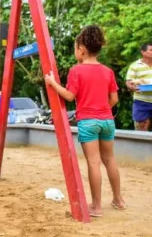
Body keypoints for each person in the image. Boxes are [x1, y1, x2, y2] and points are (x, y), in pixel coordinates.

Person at [44, 25, 126, 217]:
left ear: (81, 49)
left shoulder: (77, 71)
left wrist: (52, 83)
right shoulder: (107, 71)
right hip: (107, 121)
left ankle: (96, 206)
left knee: (94, 163)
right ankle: (118, 199)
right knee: (110, 160)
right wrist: (101, 107)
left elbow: (70, 96)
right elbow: (114, 99)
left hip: (88, 122)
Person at [125, 42, 152, 131]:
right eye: (151, 50)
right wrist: (132, 87)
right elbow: (128, 82)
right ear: (143, 52)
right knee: (142, 129)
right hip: (141, 101)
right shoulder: (134, 66)